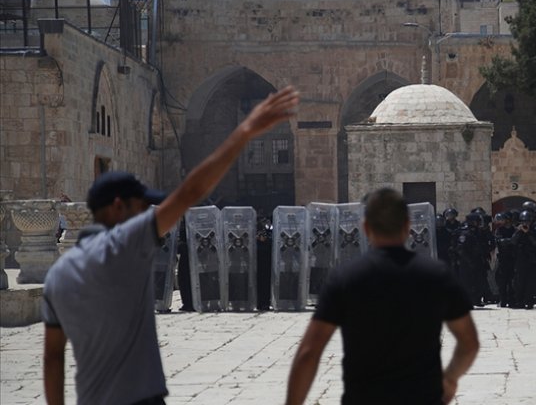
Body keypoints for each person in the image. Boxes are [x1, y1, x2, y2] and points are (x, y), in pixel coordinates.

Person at [41, 87, 301, 405]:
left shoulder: (58, 275)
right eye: (142, 207)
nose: (148, 214)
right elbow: (190, 192)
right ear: (119, 207)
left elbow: (53, 358)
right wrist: (245, 132)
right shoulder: (124, 245)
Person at [285, 188, 479, 405]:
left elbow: (309, 353)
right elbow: (469, 342)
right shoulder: (437, 276)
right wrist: (450, 377)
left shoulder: (345, 278)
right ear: (407, 226)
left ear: (366, 228)